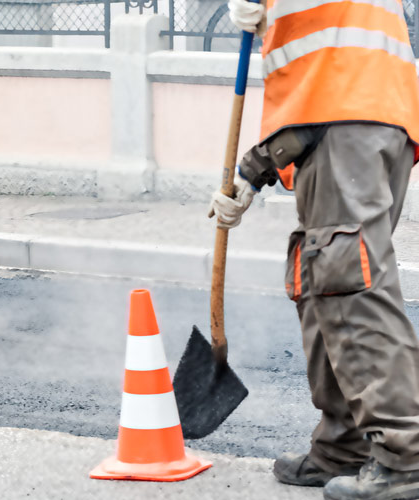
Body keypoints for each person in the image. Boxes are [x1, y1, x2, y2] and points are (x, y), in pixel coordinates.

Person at [211, 0, 419, 498]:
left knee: (349, 285)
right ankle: (343, 448)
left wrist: (254, 167)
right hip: (364, 116)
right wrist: (255, 168)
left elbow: (324, 78)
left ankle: (403, 455)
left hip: (345, 117)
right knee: (329, 282)